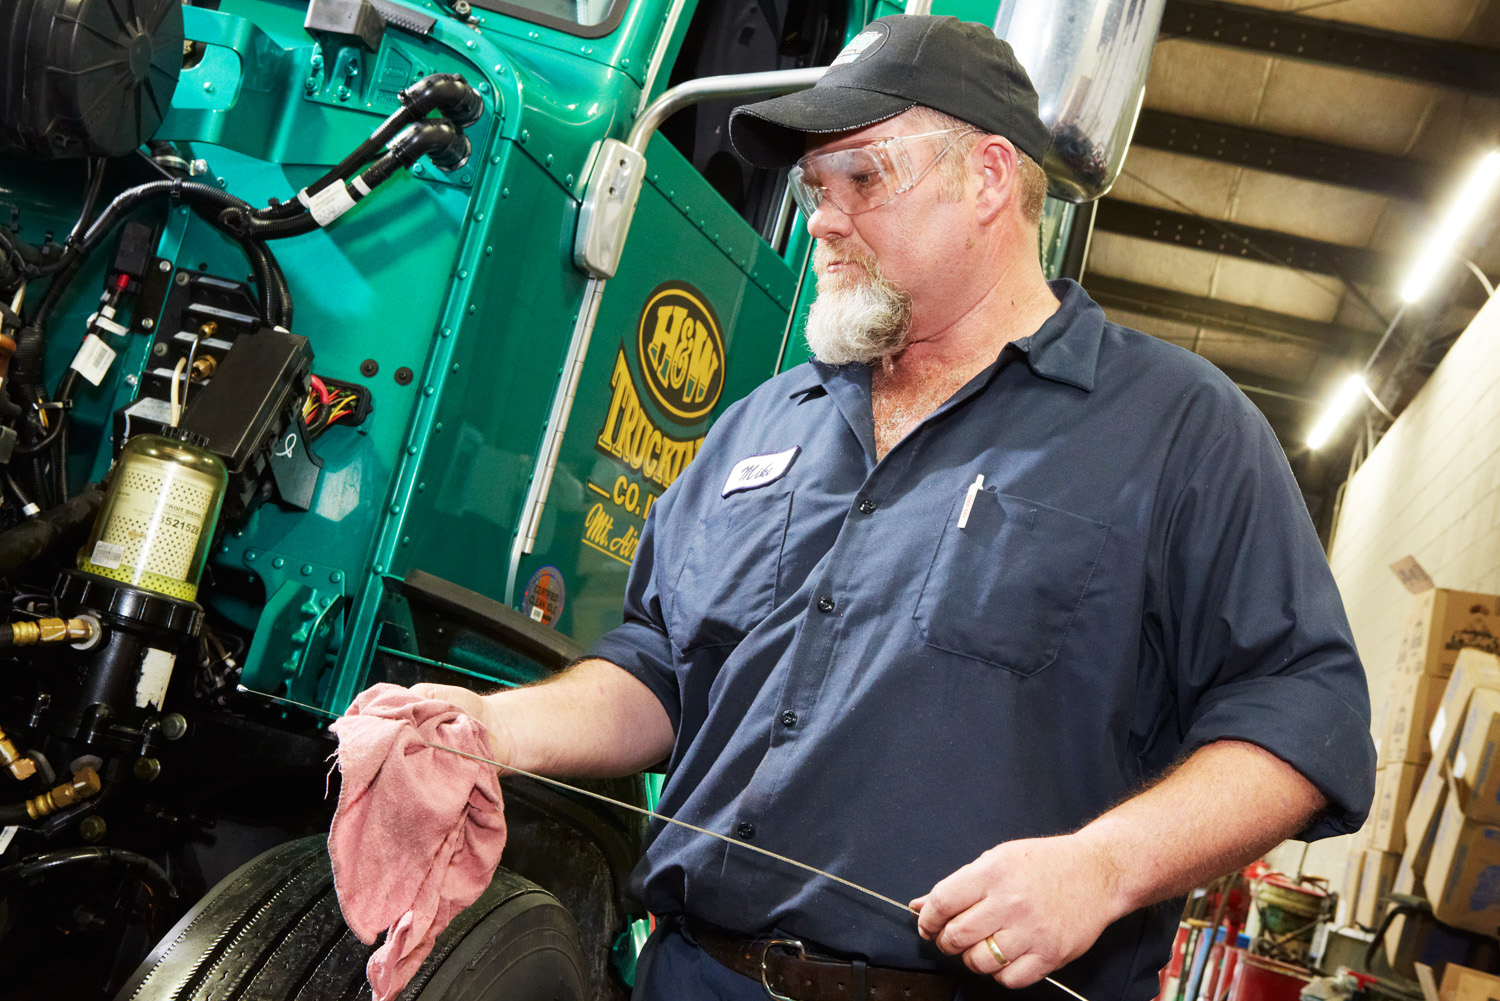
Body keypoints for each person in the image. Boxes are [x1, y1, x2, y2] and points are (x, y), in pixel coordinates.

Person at [409, 14, 1375, 1001]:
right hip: (692, 976)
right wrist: (491, 729)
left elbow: (1303, 714)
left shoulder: (1178, 429)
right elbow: (657, 667)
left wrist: (1104, 865)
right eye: (814, 188)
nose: (824, 218)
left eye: (863, 178)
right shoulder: (757, 428)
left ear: (990, 177)